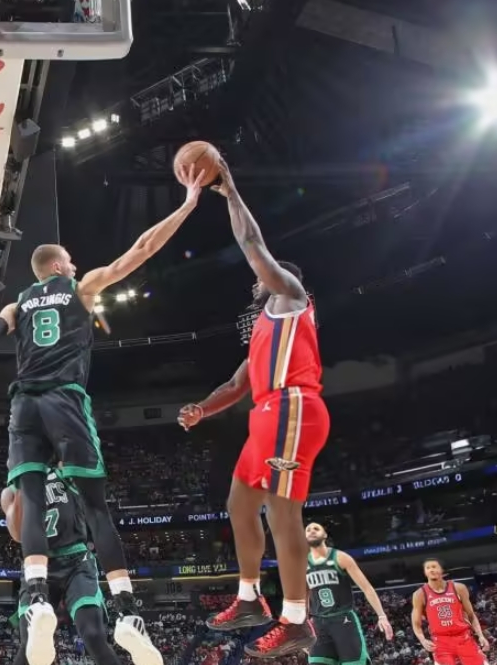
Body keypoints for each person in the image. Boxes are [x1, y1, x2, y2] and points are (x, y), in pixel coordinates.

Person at [0, 164, 208, 660]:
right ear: (60, 266)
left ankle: (37, 599)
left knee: (32, 501)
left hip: (23, 404)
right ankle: (127, 611)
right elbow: (141, 250)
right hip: (64, 398)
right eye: (71, 261)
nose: (76, 265)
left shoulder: (18, 304)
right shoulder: (81, 288)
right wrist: (188, 204)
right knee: (97, 506)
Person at [177, 160, 328, 657]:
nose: (254, 282)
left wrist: (230, 191)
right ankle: (249, 598)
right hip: (265, 415)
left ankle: (297, 618)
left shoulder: (291, 298)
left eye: (262, 276)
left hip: (293, 408)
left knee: (283, 513)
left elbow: (252, 245)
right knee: (239, 505)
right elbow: (236, 384)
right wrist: (202, 409)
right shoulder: (264, 329)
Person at [4, 468, 160, 665]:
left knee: (93, 635)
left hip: (76, 560)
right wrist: (21, 485)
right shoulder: (9, 492)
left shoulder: (63, 470)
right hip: (37, 566)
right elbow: (17, 534)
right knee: (29, 646)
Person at [302, 523, 393, 665]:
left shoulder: (340, 557)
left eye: (316, 529)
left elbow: (367, 588)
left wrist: (382, 616)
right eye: (308, 530)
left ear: (325, 535)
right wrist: (302, 626)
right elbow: (304, 596)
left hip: (343, 620)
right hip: (319, 623)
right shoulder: (302, 564)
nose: (312, 531)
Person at [411, 558, 489, 665]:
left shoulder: (459, 588)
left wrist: (480, 635)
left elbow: (471, 615)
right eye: (428, 568)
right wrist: (422, 640)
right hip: (441, 642)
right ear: (425, 572)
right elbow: (416, 623)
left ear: (442, 570)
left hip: (463, 637)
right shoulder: (419, 594)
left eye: (434, 567)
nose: (431, 570)